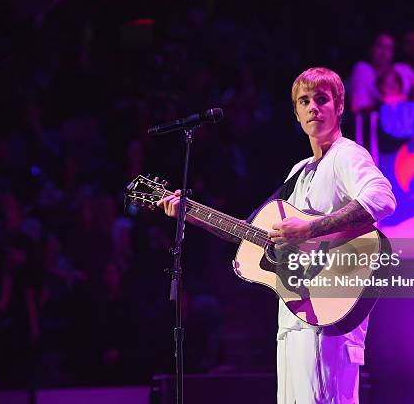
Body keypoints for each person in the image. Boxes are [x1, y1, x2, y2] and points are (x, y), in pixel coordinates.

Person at [157, 67, 396, 403]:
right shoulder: (298, 171)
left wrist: (310, 228)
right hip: (296, 318)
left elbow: (381, 199)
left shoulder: (347, 154)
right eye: (305, 101)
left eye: (322, 99)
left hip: (328, 315)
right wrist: (191, 213)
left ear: (339, 106)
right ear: (296, 113)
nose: (313, 107)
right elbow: (249, 232)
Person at [349, 33, 414, 112]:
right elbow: (359, 108)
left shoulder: (404, 70)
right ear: (371, 48)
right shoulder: (363, 71)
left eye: (389, 48)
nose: (384, 53)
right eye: (380, 46)